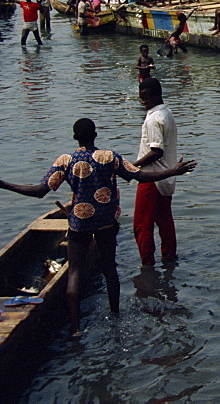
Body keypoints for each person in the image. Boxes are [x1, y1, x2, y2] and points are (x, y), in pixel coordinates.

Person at [0, 118, 197, 335]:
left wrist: (3, 184)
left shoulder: (65, 161)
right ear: (95, 135)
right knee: (109, 268)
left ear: (75, 137)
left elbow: (39, 191)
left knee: (74, 272)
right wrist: (172, 171)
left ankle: (75, 329)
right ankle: (115, 316)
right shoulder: (109, 157)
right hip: (106, 222)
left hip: (79, 222)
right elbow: (139, 176)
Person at [133, 78, 184, 267]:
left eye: (145, 98)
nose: (143, 102)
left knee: (141, 225)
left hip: (152, 177)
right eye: (141, 98)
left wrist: (132, 166)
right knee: (164, 220)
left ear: (156, 95)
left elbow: (156, 151)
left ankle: (147, 265)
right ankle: (169, 257)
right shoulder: (167, 113)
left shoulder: (154, 119)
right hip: (167, 176)